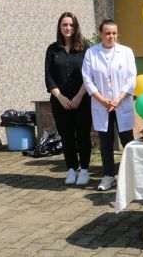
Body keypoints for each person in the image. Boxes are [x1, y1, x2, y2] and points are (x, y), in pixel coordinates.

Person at [81, 18, 137, 191]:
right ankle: (108, 176)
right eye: (107, 33)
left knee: (127, 141)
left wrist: (118, 99)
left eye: (114, 33)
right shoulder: (91, 53)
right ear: (101, 34)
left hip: (121, 103)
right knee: (105, 142)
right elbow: (87, 79)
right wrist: (103, 100)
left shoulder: (126, 52)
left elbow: (131, 78)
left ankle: (133, 176)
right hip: (102, 105)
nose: (111, 36)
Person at [44, 12, 92, 186]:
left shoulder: (85, 48)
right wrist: (61, 97)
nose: (68, 28)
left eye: (71, 25)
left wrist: (79, 96)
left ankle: (85, 169)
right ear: (60, 27)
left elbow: (89, 76)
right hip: (60, 102)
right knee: (67, 137)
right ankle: (72, 169)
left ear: (76, 26)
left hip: (82, 100)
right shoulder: (52, 49)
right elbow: (49, 77)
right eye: (64, 24)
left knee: (83, 136)